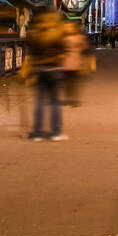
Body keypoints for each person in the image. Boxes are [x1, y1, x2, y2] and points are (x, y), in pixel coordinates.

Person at [23, 9, 68, 140]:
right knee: (55, 101)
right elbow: (63, 48)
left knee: (39, 101)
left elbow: (29, 48)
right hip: (54, 68)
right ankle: (56, 132)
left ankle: (37, 133)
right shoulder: (58, 32)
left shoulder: (32, 33)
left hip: (38, 68)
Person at [61, 19, 92, 108]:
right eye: (67, 27)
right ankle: (69, 98)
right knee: (66, 82)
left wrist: (85, 60)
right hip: (65, 62)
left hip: (75, 62)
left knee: (74, 81)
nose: (68, 29)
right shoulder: (63, 38)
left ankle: (73, 99)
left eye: (70, 27)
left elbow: (85, 48)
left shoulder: (79, 37)